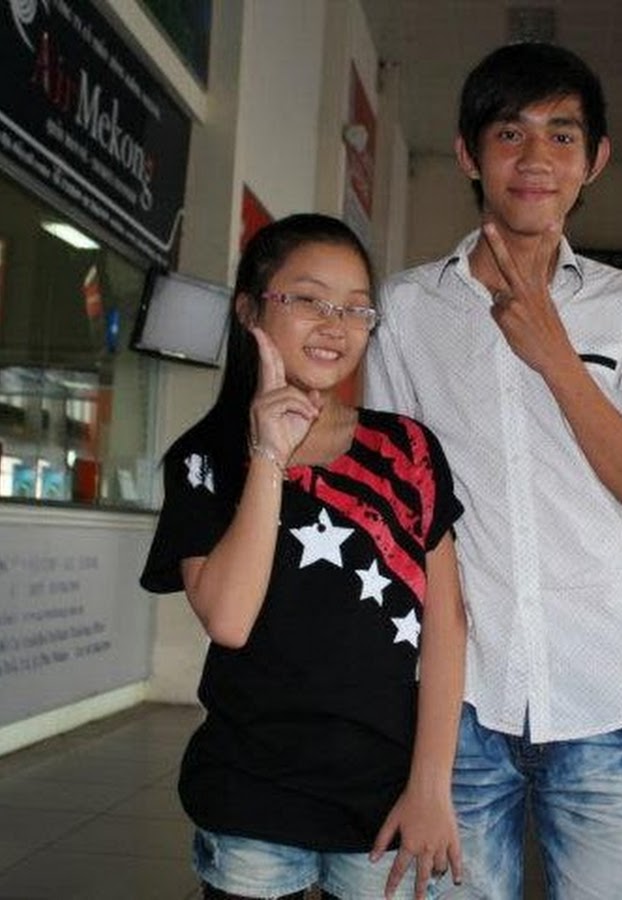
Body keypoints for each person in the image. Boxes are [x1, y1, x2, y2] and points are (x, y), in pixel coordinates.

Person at [366, 43, 622, 899]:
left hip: (604, 696)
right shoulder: (408, 309)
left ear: (595, 160)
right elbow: (396, 512)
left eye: (562, 134)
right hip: (460, 708)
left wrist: (556, 356)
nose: (537, 157)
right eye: (510, 133)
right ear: (469, 154)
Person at [139, 214, 467, 900]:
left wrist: (431, 787)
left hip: (385, 800)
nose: (335, 325)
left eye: (355, 308)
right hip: (251, 798)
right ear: (249, 309)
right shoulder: (206, 460)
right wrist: (269, 454)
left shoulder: (407, 450)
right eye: (309, 299)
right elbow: (229, 619)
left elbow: (447, 624)